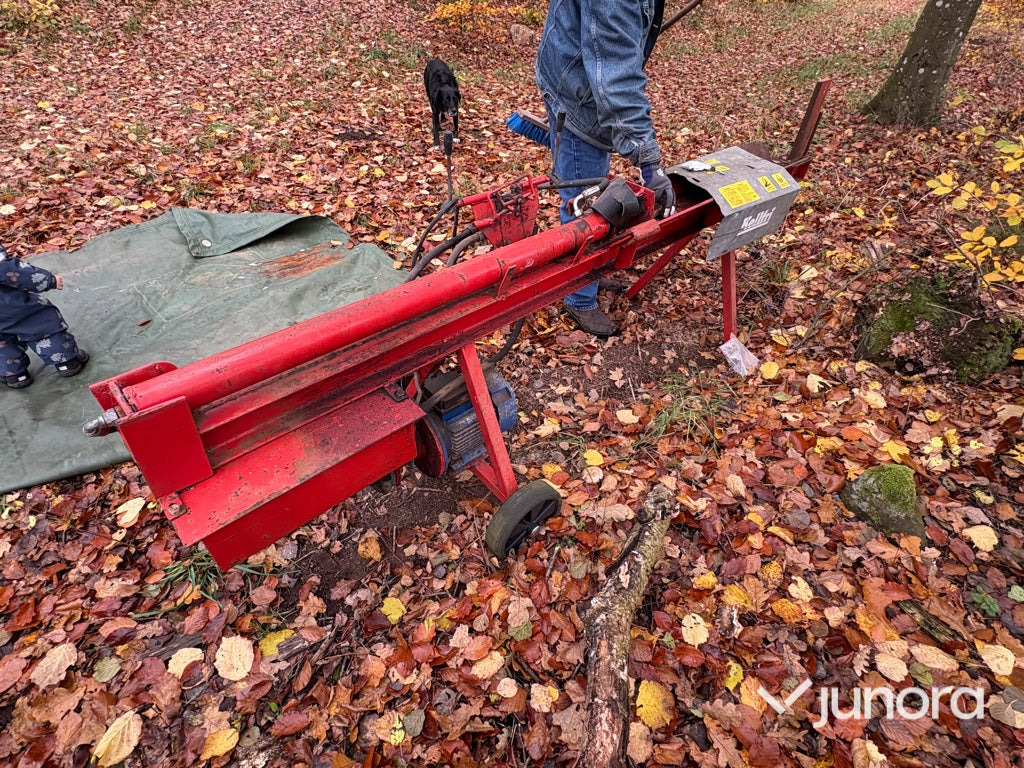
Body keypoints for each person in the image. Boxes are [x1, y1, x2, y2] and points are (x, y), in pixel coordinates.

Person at [536, 0, 676, 337]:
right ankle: (579, 297)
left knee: (594, 192)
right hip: (576, 99)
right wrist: (650, 164)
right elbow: (615, 80)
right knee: (584, 205)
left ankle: (591, 274)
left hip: (572, 75)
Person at [1, 242, 89, 389]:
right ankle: (66, 362)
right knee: (40, 325)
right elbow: (13, 272)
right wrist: (49, 280)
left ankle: (15, 375)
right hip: (13, 307)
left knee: (2, 345)